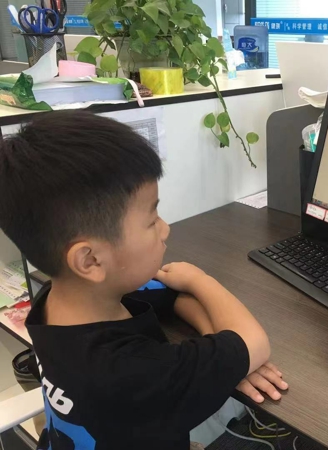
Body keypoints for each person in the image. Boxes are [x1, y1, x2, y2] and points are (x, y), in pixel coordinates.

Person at [0, 111, 287, 450]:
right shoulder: (133, 374)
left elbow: (174, 298)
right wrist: (201, 280)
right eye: (152, 221)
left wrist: (226, 356)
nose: (165, 229)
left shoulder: (61, 298)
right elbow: (256, 342)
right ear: (90, 260)